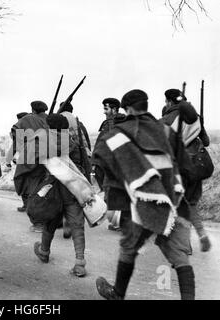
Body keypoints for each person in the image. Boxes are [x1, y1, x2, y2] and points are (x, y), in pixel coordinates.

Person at [94, 89, 196, 300]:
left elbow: (102, 161)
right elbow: (186, 167)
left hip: (139, 202)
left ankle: (117, 294)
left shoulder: (117, 134)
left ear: (128, 109)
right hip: (171, 199)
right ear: (146, 105)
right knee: (179, 255)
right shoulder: (167, 131)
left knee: (129, 247)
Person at [32, 114, 89, 277]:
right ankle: (80, 263)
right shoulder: (74, 142)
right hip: (73, 189)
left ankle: (44, 251)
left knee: (51, 221)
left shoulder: (44, 143)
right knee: (77, 225)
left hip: (53, 190)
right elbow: (82, 165)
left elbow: (34, 165)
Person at [161, 89, 211, 252]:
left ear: (169, 102)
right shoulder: (195, 117)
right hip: (198, 166)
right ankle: (202, 234)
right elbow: (206, 141)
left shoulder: (166, 120)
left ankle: (184, 245)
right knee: (191, 204)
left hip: (181, 168)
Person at [57, 101, 92, 238]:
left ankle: (64, 219)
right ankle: (73, 221)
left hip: (63, 163)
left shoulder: (59, 122)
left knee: (62, 193)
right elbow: (86, 143)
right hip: (79, 163)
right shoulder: (78, 123)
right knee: (76, 194)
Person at [12, 101, 49, 232]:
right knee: (45, 189)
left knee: (30, 190)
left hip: (31, 158)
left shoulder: (28, 119)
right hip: (50, 159)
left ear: (33, 110)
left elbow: (15, 132)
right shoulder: (50, 118)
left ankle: (38, 223)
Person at [93, 98, 126, 232]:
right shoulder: (125, 122)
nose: (104, 112)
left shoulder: (111, 124)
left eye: (106, 109)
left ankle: (119, 223)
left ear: (114, 109)